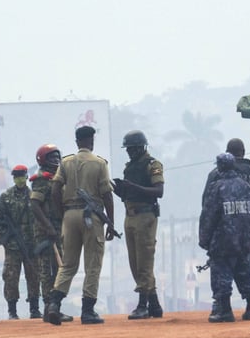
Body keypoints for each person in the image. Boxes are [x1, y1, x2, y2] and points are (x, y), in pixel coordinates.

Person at [203, 139, 250, 315]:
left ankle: (220, 305)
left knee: (222, 269)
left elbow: (207, 206)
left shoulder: (215, 176)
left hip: (224, 234)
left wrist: (206, 237)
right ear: (243, 152)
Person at [48, 125, 115, 325]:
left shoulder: (66, 162)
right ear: (91, 141)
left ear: (77, 142)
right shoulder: (99, 163)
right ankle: (88, 311)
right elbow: (107, 195)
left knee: (68, 264)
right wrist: (110, 222)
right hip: (92, 217)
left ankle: (54, 304)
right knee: (93, 264)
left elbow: (55, 190)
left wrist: (62, 214)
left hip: (70, 215)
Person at [200, 153, 250, 323]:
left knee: (221, 275)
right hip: (244, 239)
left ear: (220, 167)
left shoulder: (216, 187)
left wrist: (204, 239)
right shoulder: (245, 186)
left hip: (223, 240)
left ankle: (225, 310)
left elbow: (208, 215)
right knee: (245, 272)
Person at [113, 130, 165, 321]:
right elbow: (128, 194)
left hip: (145, 215)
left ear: (140, 148)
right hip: (130, 214)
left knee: (144, 260)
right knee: (135, 262)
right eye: (128, 149)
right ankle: (155, 303)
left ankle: (143, 304)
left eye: (132, 149)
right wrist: (120, 190)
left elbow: (158, 191)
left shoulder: (152, 165)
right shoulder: (130, 167)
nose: (129, 153)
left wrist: (134, 188)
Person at [29, 144, 73, 324]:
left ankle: (55, 308)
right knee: (47, 270)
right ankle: (49, 307)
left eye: (57, 157)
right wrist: (48, 227)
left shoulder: (57, 178)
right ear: (43, 160)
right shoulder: (41, 180)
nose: (56, 161)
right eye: (51, 158)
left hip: (57, 228)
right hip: (46, 233)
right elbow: (35, 205)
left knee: (58, 269)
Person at [0, 163, 40, 320]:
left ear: (26, 177)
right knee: (10, 277)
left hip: (31, 245)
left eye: (22, 176)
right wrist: (4, 238)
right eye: (17, 177)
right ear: (13, 178)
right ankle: (12, 310)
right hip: (13, 246)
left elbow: (40, 218)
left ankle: (34, 308)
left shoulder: (33, 195)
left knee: (34, 276)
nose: (20, 179)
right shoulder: (5, 197)